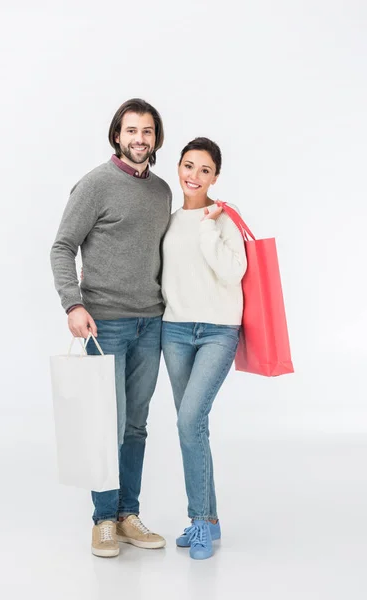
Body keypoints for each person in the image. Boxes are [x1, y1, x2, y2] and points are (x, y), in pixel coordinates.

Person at [50, 98, 172, 558]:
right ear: (117, 136)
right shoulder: (95, 184)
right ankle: (103, 519)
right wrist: (72, 304)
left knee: (135, 425)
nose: (139, 139)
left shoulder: (162, 191)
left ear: (155, 138)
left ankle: (127, 515)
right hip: (105, 325)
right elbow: (62, 247)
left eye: (147, 131)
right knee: (108, 424)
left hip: (152, 323)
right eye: (131, 131)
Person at [161, 137, 247, 560]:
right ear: (178, 168)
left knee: (189, 419)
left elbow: (234, 273)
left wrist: (210, 224)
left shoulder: (223, 219)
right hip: (174, 330)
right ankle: (209, 523)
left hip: (217, 331)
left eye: (205, 170)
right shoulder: (169, 219)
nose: (194, 176)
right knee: (191, 426)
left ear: (216, 177)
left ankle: (198, 521)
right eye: (188, 166)